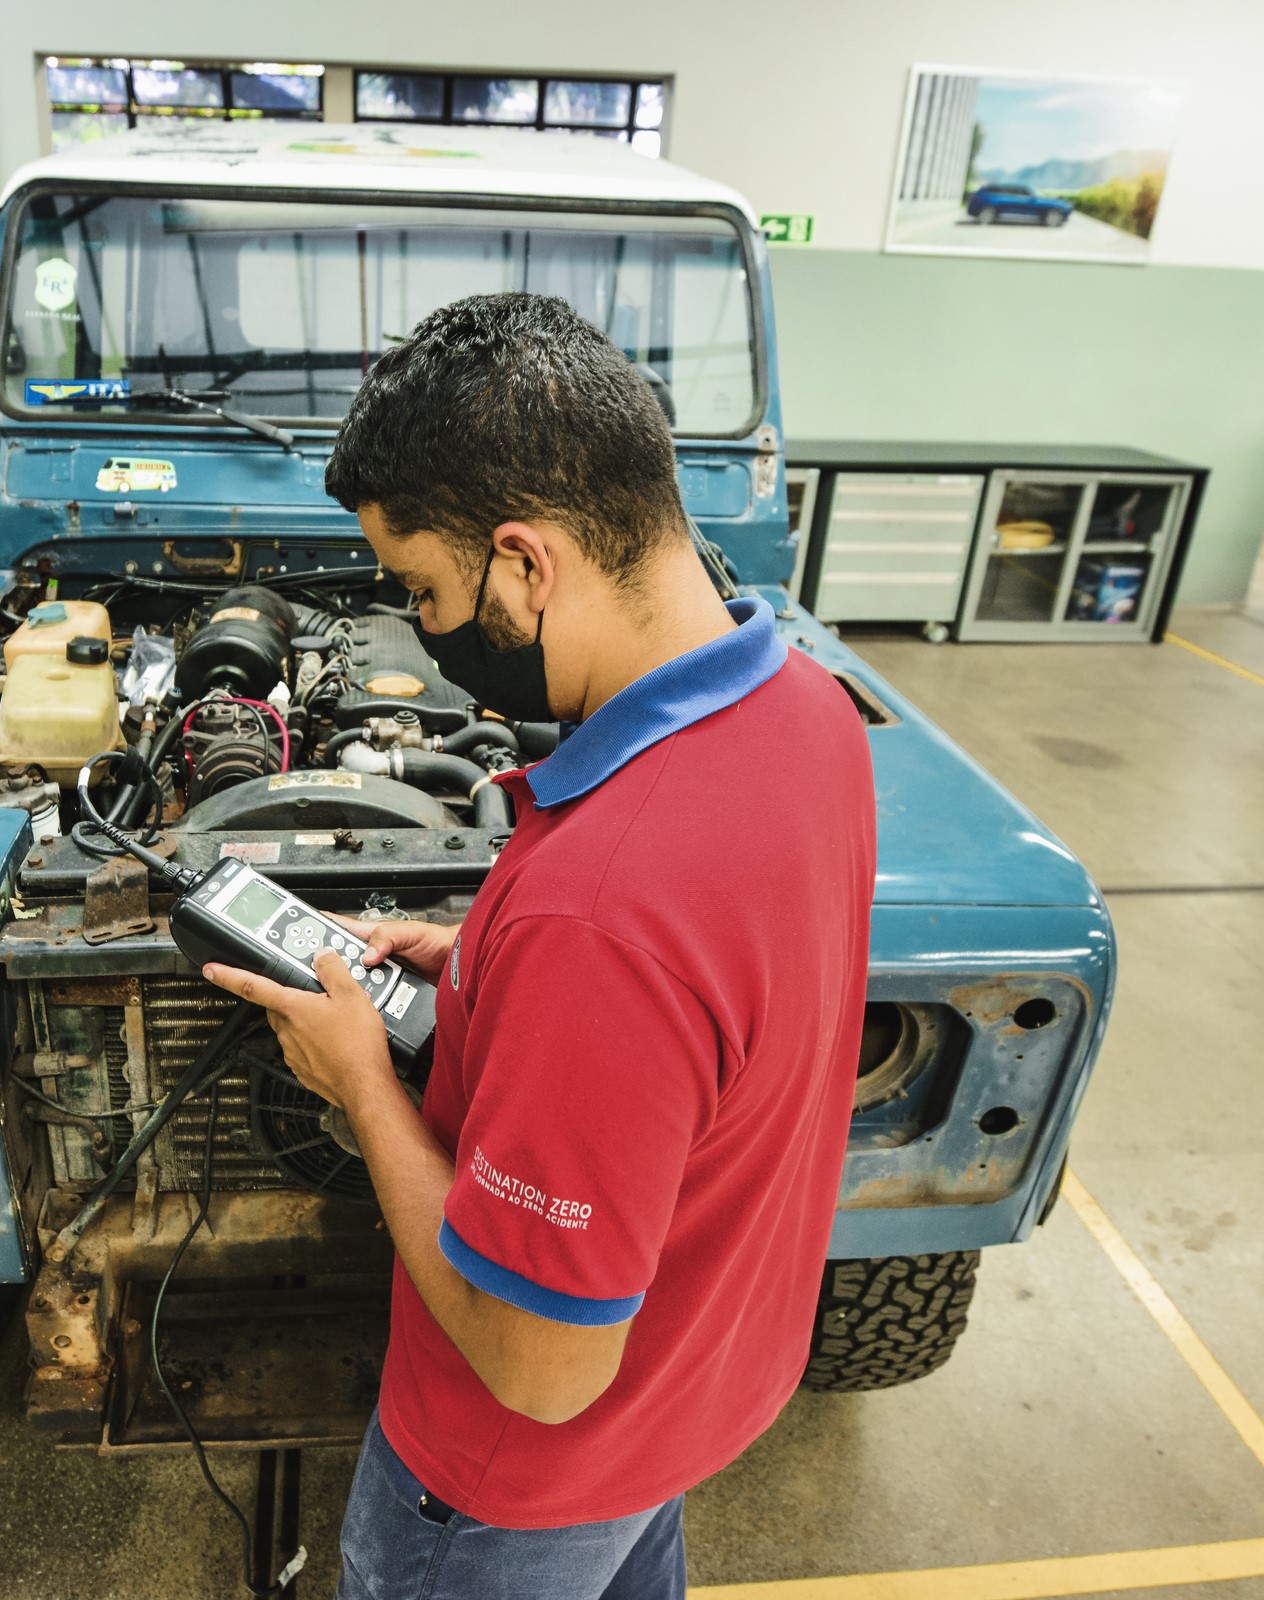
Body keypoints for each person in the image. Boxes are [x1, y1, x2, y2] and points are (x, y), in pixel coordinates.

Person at [200, 292, 877, 1599]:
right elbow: (718, 994)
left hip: (510, 1494)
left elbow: (540, 1368)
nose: (426, 628)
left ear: (524, 563)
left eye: (424, 591)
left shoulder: (600, 916)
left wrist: (361, 1084)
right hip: (690, 1396)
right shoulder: (808, 712)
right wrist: (493, 964)